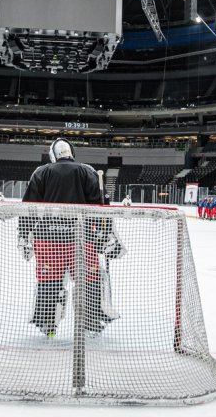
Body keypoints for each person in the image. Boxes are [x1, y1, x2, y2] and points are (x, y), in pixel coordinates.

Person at [19, 138, 125, 337]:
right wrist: (105, 235)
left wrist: (24, 237)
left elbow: (28, 209)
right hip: (82, 239)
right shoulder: (87, 171)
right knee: (90, 280)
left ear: (53, 154)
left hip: (47, 241)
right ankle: (91, 322)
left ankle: (47, 324)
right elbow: (101, 207)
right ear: (71, 152)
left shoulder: (41, 172)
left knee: (49, 281)